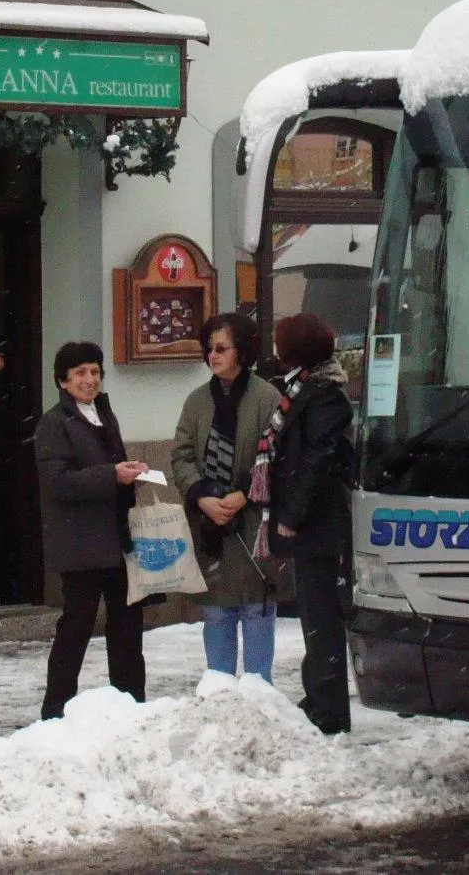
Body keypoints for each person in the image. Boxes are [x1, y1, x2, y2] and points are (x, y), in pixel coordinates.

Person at [35, 341, 150, 720]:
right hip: (81, 543)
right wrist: (111, 475)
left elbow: (107, 467)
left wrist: (129, 472)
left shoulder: (104, 413)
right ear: (63, 381)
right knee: (77, 628)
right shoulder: (54, 423)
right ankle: (55, 711)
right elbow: (59, 482)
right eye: (81, 373)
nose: (90, 380)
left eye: (95, 372)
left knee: (128, 627)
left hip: (117, 537)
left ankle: (131, 702)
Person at [252, 313, 354, 734]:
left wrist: (291, 518)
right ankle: (318, 696)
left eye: (280, 343)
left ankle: (328, 709)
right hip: (311, 521)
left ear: (297, 350)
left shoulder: (323, 395)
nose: (275, 351)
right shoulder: (300, 387)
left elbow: (315, 462)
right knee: (314, 612)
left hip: (317, 524)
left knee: (322, 615)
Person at [171, 312, 286, 681]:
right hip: (210, 524)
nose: (212, 356)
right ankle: (218, 692)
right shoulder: (196, 401)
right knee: (217, 612)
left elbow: (279, 458)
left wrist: (245, 496)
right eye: (208, 349)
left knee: (256, 609)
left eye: (221, 348)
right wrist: (200, 494)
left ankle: (258, 696)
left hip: (252, 523)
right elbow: (182, 455)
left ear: (242, 351)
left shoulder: (267, 398)